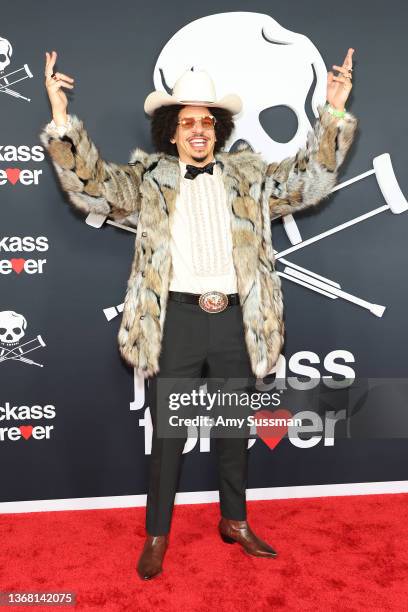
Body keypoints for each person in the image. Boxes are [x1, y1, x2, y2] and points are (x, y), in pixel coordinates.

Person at [40, 48, 357, 580]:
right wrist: (60, 119)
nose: (198, 130)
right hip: (179, 323)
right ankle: (158, 532)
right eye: (187, 121)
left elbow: (308, 181)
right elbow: (92, 186)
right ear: (170, 131)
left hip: (236, 322)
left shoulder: (250, 176)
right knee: (170, 434)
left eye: (207, 122)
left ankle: (234, 520)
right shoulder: (147, 181)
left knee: (234, 429)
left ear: (220, 129)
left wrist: (334, 113)